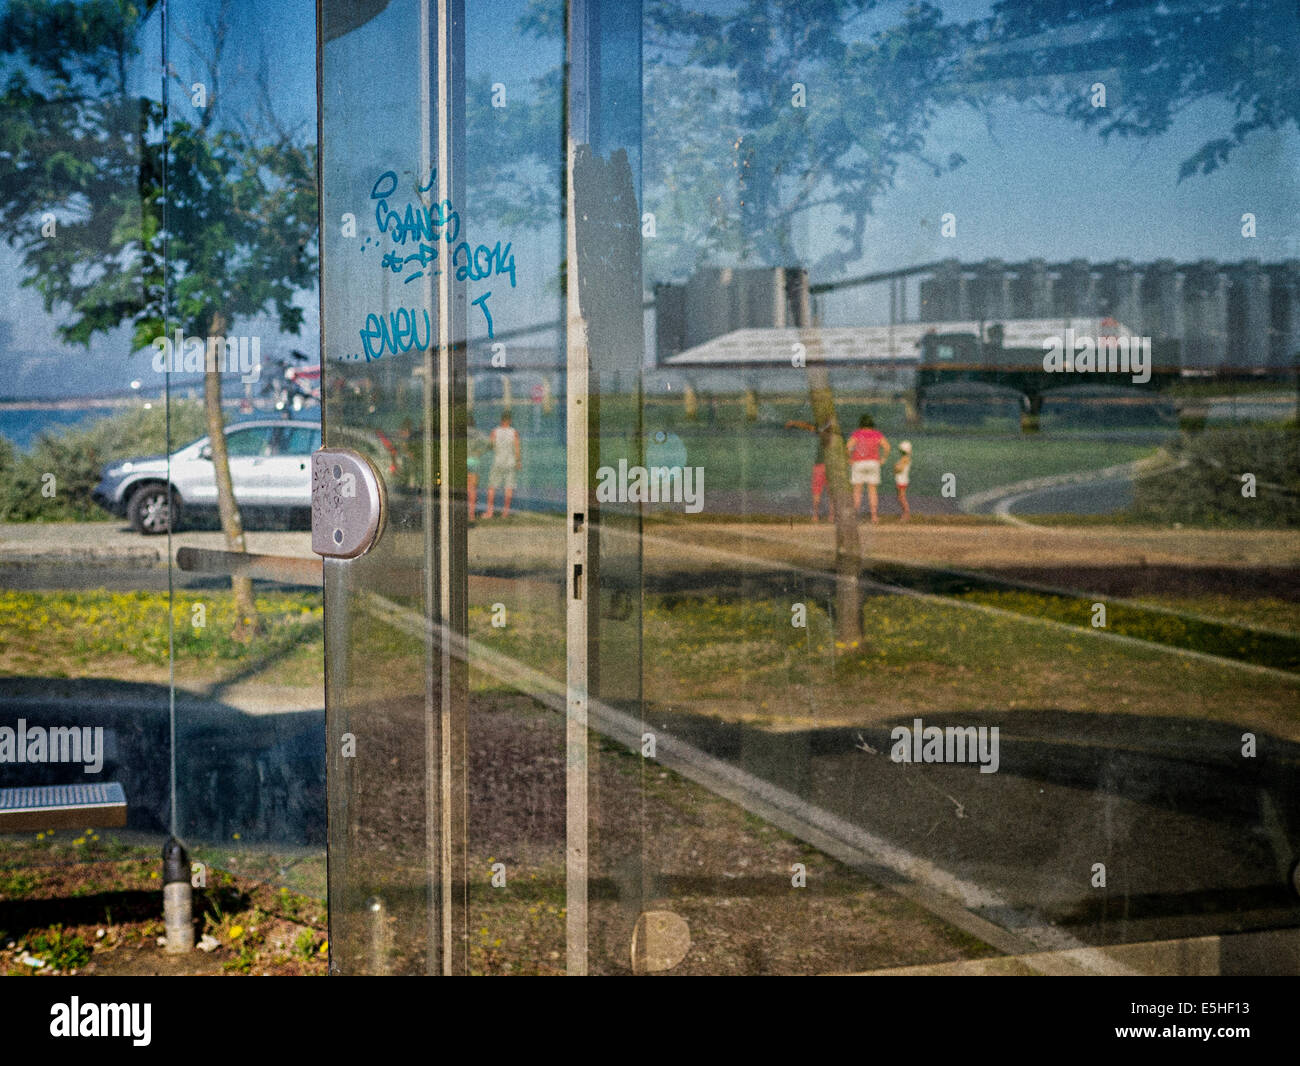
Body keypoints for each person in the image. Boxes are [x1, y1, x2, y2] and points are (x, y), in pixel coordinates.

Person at [785, 418, 835, 522]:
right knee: (831, 493)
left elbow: (807, 426)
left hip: (819, 466)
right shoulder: (836, 436)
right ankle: (831, 516)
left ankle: (815, 516)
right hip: (831, 466)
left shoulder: (821, 432)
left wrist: (794, 422)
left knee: (817, 492)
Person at [846, 413, 890, 523]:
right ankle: (874, 516)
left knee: (857, 491)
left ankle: (854, 516)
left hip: (858, 463)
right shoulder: (877, 434)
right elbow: (887, 447)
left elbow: (847, 447)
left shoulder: (856, 434)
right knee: (872, 491)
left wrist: (849, 459)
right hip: (873, 463)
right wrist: (883, 458)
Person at [483, 410, 521, 519]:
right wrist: (518, 461)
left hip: (498, 461)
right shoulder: (514, 432)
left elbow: (490, 446)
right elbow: (517, 448)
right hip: (510, 462)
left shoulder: (495, 431)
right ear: (510, 420)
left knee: (492, 487)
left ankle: (489, 512)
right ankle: (505, 512)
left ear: (501, 420)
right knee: (508, 487)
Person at [466, 414, 489, 521]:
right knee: (473, 489)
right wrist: (480, 452)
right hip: (474, 460)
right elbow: (489, 443)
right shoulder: (477, 432)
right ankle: (471, 514)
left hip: (462, 459)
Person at [894, 440, 912, 521]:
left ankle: (906, 513)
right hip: (901, 480)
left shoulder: (905, 459)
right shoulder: (905, 458)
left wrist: (895, 467)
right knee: (900, 497)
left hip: (902, 480)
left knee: (902, 497)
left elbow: (900, 469)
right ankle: (905, 512)